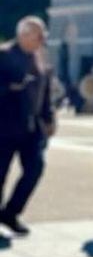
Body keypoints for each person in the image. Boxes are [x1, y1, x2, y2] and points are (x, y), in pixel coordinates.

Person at [0, 16, 56, 236]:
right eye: (38, 36)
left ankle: (10, 213)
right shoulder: (3, 55)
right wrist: (9, 88)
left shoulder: (40, 57)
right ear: (23, 35)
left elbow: (45, 91)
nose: (43, 40)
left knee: (35, 169)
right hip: (4, 125)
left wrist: (49, 116)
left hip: (32, 127)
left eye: (44, 36)